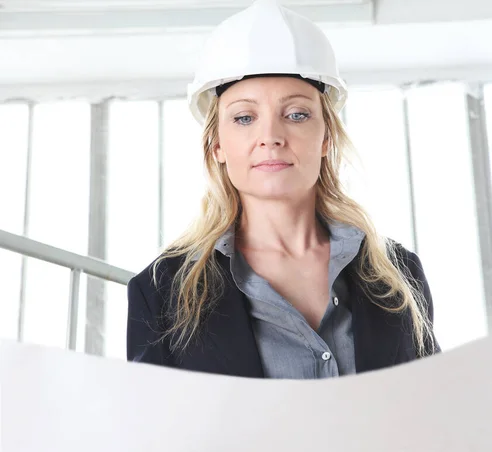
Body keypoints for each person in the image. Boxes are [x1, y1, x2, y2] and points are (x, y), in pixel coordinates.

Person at [127, 0, 440, 378]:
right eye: (244, 117)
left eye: (296, 114)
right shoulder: (162, 292)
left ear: (325, 138)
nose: (271, 137)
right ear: (218, 146)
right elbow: (158, 432)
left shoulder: (398, 274)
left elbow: (434, 411)